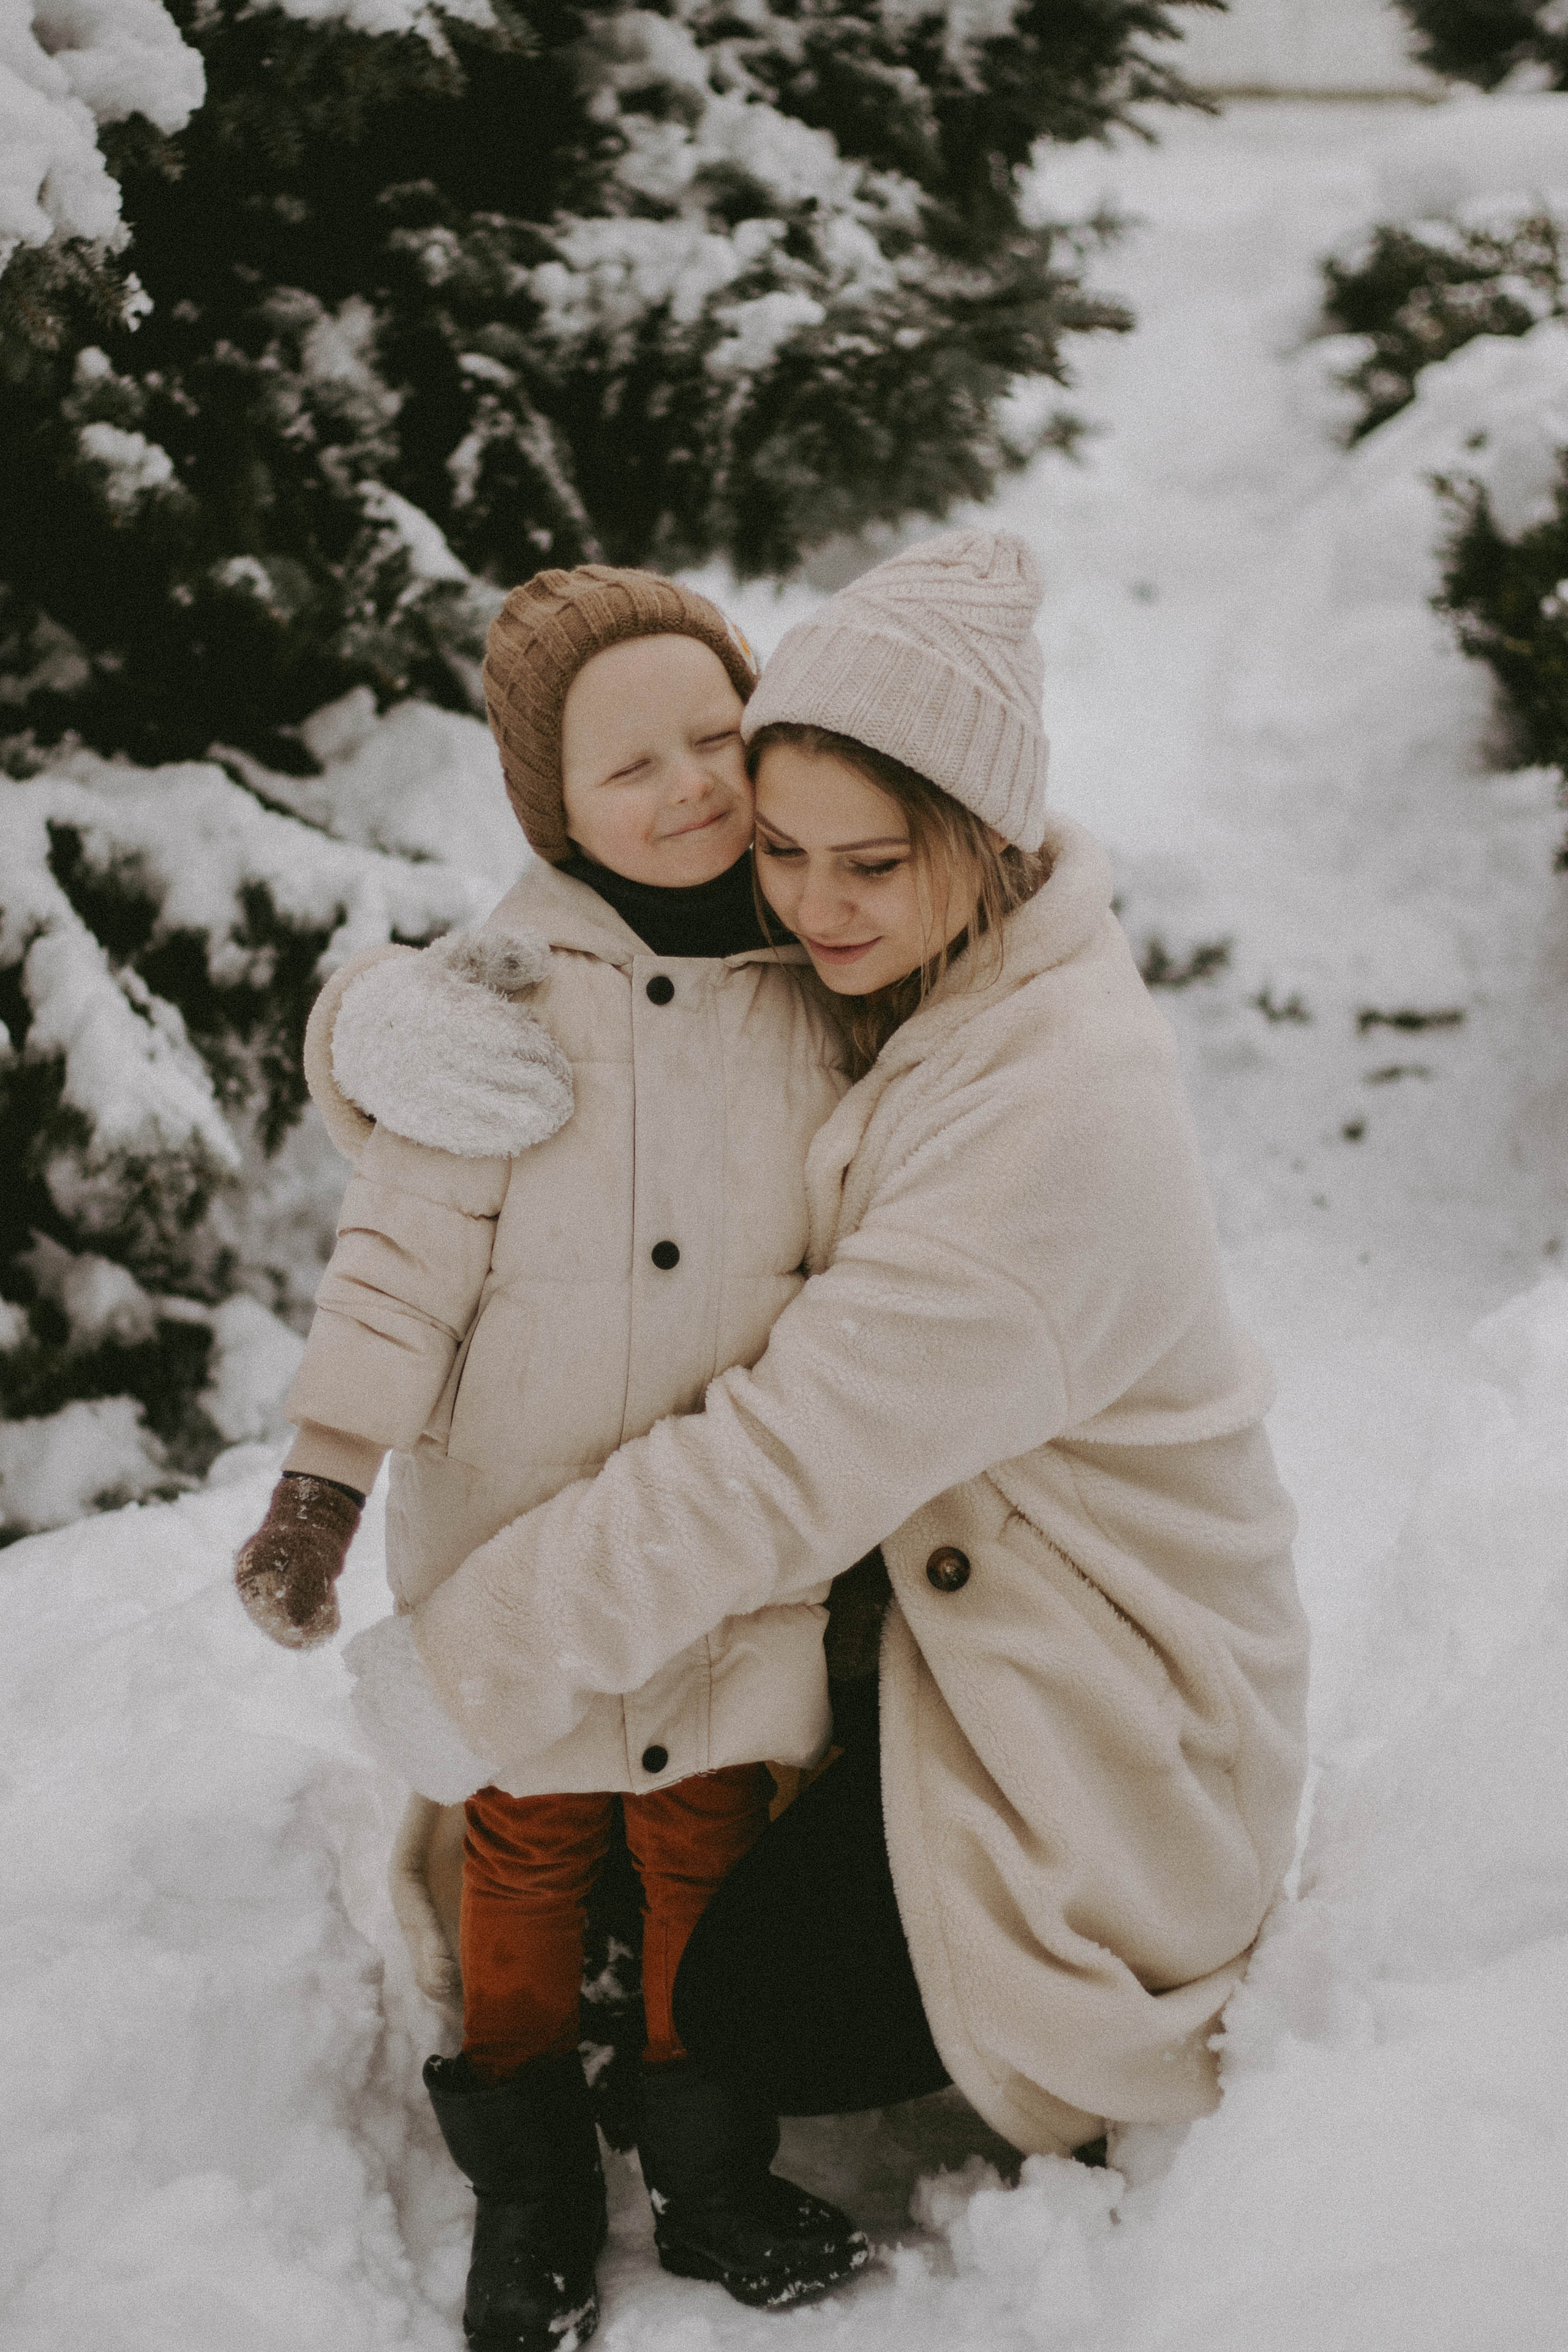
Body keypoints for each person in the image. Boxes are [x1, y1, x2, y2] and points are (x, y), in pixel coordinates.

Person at [345, 527, 1312, 2164]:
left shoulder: (1060, 1116)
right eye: (783, 852)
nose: (808, 905)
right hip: (918, 1618)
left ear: (985, 835)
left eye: (867, 863)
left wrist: (464, 1666)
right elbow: (608, 1032)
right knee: (606, 1862)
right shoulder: (915, 944)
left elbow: (773, 1470)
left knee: (753, 2010)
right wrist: (376, 1039)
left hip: (1102, 1717)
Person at [233, 565, 869, 2352]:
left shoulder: (810, 982)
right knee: (523, 1842)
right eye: (625, 766)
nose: (688, 787)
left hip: (734, 1538)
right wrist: (326, 1473)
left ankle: (707, 2162)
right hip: (517, 1537)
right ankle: (527, 2183)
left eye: (715, 738)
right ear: (547, 805)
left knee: (704, 1840)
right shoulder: (489, 1011)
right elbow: (400, 1259)